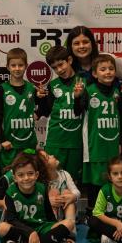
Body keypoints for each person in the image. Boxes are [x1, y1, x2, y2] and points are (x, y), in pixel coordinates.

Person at [0, 150, 75, 243]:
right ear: (15, 178)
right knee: (2, 228)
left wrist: (62, 234)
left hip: (41, 227)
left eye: (30, 173)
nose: (26, 178)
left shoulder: (42, 188)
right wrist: (30, 232)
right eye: (21, 175)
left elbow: (49, 216)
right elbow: (11, 220)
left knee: (69, 223)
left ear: (36, 175)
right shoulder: (10, 193)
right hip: (22, 229)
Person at [74, 53, 122, 208]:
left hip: (112, 144)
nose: (107, 72)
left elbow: (120, 118)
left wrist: (121, 142)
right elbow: (76, 112)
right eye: (103, 69)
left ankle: (110, 211)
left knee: (113, 179)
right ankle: (93, 212)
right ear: (95, 73)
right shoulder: (89, 90)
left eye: (110, 68)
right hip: (95, 145)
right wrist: (76, 97)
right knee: (95, 183)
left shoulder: (117, 92)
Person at [36, 45, 84, 184]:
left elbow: (82, 109)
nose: (59, 69)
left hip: (76, 141)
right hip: (55, 141)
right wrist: (40, 98)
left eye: (61, 64)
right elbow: (45, 111)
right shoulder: (52, 85)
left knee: (73, 182)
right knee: (52, 179)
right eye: (55, 67)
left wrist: (78, 97)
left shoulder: (83, 82)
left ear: (69, 60)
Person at [0, 48, 38, 169]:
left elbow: (45, 108)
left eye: (20, 65)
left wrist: (38, 112)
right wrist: (2, 140)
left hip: (29, 144)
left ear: (26, 66)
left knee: (29, 176)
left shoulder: (32, 88)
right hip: (10, 145)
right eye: (13, 65)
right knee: (9, 178)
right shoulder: (1, 89)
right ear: (7, 67)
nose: (17, 68)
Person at [42, 150, 80, 226]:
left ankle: (71, 229)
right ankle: (54, 227)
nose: (52, 155)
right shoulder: (41, 181)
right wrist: (48, 201)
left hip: (67, 213)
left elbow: (77, 191)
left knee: (66, 192)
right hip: (51, 216)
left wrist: (73, 197)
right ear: (44, 167)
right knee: (53, 192)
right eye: (48, 157)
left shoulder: (65, 174)